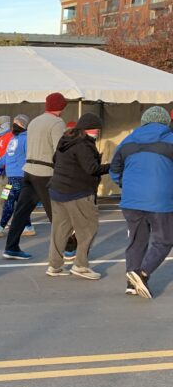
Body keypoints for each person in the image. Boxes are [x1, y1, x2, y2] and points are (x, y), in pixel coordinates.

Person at [110, 105, 173, 299]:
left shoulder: (127, 141)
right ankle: (142, 273)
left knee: (137, 241)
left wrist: (125, 185)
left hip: (131, 200)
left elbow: (114, 169)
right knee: (165, 240)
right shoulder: (170, 140)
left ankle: (131, 284)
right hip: (160, 200)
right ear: (165, 121)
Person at [3, 93, 76, 260]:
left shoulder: (35, 121)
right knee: (56, 213)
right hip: (45, 172)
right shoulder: (57, 122)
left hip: (28, 170)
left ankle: (11, 247)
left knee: (21, 211)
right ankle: (68, 248)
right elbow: (60, 149)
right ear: (62, 107)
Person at [46, 113, 109, 280]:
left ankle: (54, 265)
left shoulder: (65, 139)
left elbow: (54, 159)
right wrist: (112, 166)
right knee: (88, 228)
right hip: (78, 192)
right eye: (97, 129)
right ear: (91, 129)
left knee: (60, 229)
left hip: (57, 190)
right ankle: (80, 265)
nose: (98, 132)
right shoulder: (84, 144)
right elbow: (92, 169)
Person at [0, 115, 32, 237]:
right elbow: (7, 156)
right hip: (11, 175)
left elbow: (29, 156)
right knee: (20, 203)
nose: (14, 126)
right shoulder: (13, 139)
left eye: (17, 124)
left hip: (17, 175)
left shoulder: (25, 139)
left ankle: (0, 226)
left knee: (8, 201)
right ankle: (28, 226)